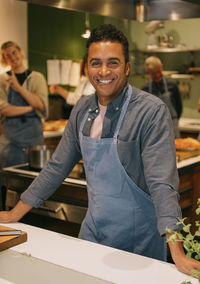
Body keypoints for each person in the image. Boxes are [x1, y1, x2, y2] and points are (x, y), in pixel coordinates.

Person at [0, 25, 200, 277]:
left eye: (113, 63)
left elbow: (162, 184)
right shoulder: (82, 108)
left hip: (138, 242)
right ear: (87, 68)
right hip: (93, 234)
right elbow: (56, 167)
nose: (104, 71)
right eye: (96, 63)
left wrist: (178, 255)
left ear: (126, 67)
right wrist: (13, 214)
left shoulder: (150, 112)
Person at [0, 41, 48, 207]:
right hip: (9, 144)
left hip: (33, 143)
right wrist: (30, 107)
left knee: (33, 186)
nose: (12, 57)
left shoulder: (38, 78)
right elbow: (4, 110)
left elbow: (41, 105)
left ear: (20, 52)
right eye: (8, 55)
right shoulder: (2, 80)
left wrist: (19, 88)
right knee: (8, 186)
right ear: (4, 59)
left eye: (14, 52)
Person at [142, 56, 183, 138]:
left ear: (162, 68)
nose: (157, 75)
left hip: (172, 124)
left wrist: (173, 120)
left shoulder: (172, 85)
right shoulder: (145, 89)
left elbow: (179, 107)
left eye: (158, 71)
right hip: (153, 127)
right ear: (148, 72)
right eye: (153, 73)